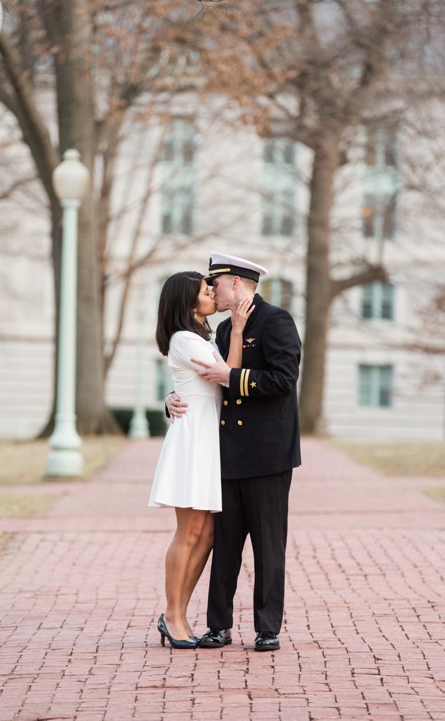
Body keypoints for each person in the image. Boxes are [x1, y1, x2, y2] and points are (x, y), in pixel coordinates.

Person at [168, 252, 302, 652]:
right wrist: (172, 398)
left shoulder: (276, 320)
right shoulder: (224, 329)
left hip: (267, 454)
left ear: (237, 284)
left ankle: (267, 628)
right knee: (224, 544)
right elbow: (201, 382)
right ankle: (218, 626)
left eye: (217, 284)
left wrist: (233, 377)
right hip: (225, 454)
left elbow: (283, 378)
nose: (212, 290)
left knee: (267, 544)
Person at [149, 271, 253, 649]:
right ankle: (173, 615)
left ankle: (176, 612)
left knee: (207, 535)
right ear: (189, 302)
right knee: (189, 532)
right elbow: (227, 376)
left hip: (209, 441)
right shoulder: (184, 338)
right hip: (193, 441)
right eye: (205, 290)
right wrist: (238, 330)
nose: (212, 293)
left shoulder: (196, 337)